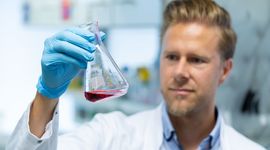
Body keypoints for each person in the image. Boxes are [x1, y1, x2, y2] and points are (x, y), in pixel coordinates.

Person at [6, 0, 266, 149]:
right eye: (171, 57)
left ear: (225, 70)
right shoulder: (111, 135)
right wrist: (46, 95)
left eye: (197, 60)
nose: (179, 72)